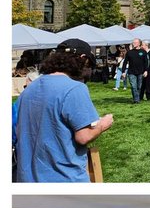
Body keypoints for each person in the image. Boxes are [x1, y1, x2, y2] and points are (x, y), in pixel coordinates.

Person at [14, 39, 113, 183]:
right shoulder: (74, 88)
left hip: (27, 180)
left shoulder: (29, 89)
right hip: (63, 179)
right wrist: (104, 123)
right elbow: (83, 136)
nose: (90, 70)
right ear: (83, 60)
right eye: (90, 64)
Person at [124, 38, 150, 104]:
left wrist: (146, 71)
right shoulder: (129, 52)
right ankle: (136, 100)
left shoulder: (143, 52)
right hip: (131, 72)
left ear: (139, 43)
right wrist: (123, 72)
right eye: (133, 42)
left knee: (139, 86)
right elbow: (125, 62)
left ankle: (136, 98)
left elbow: (146, 62)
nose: (134, 43)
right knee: (133, 86)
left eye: (135, 42)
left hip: (140, 72)